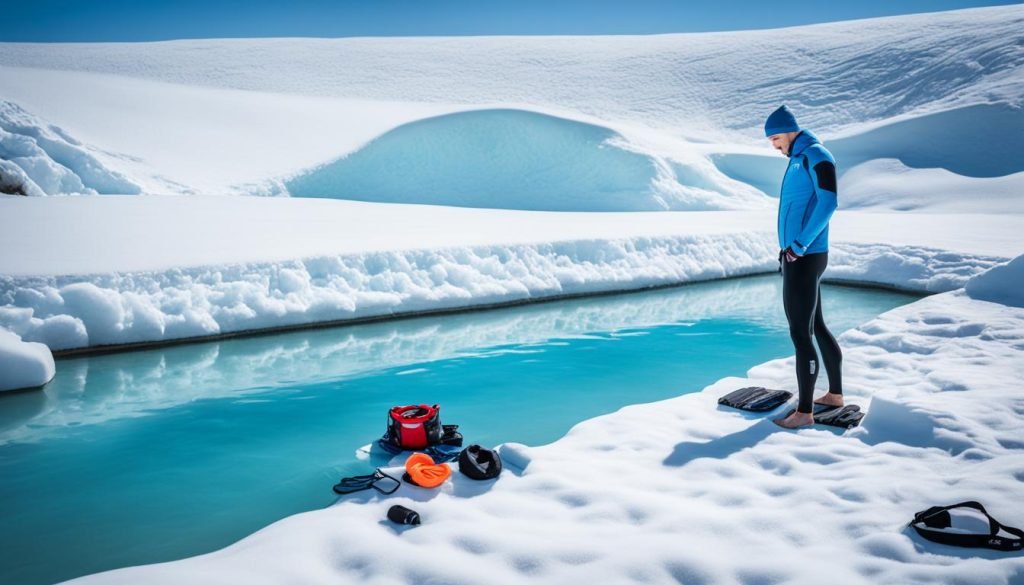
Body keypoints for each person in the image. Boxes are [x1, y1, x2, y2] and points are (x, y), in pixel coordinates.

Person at [764, 105, 843, 429]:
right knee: (817, 326)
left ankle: (805, 413)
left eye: (777, 137)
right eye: (770, 139)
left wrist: (799, 246)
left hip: (805, 256)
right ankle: (835, 395)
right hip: (800, 254)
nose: (774, 144)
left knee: (800, 333)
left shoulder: (815, 154)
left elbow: (829, 202)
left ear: (792, 131)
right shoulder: (798, 158)